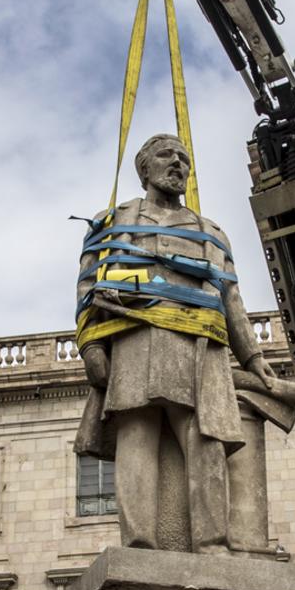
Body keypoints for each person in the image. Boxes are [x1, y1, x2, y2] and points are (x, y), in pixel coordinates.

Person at [74, 134, 272, 554]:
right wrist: (91, 348)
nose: (178, 163)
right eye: (167, 155)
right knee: (136, 440)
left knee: (207, 444)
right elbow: (88, 287)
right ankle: (140, 542)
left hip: (199, 349)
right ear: (144, 168)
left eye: (184, 158)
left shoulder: (210, 232)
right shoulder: (111, 221)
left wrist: (253, 357)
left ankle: (211, 543)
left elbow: (231, 297)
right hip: (133, 345)